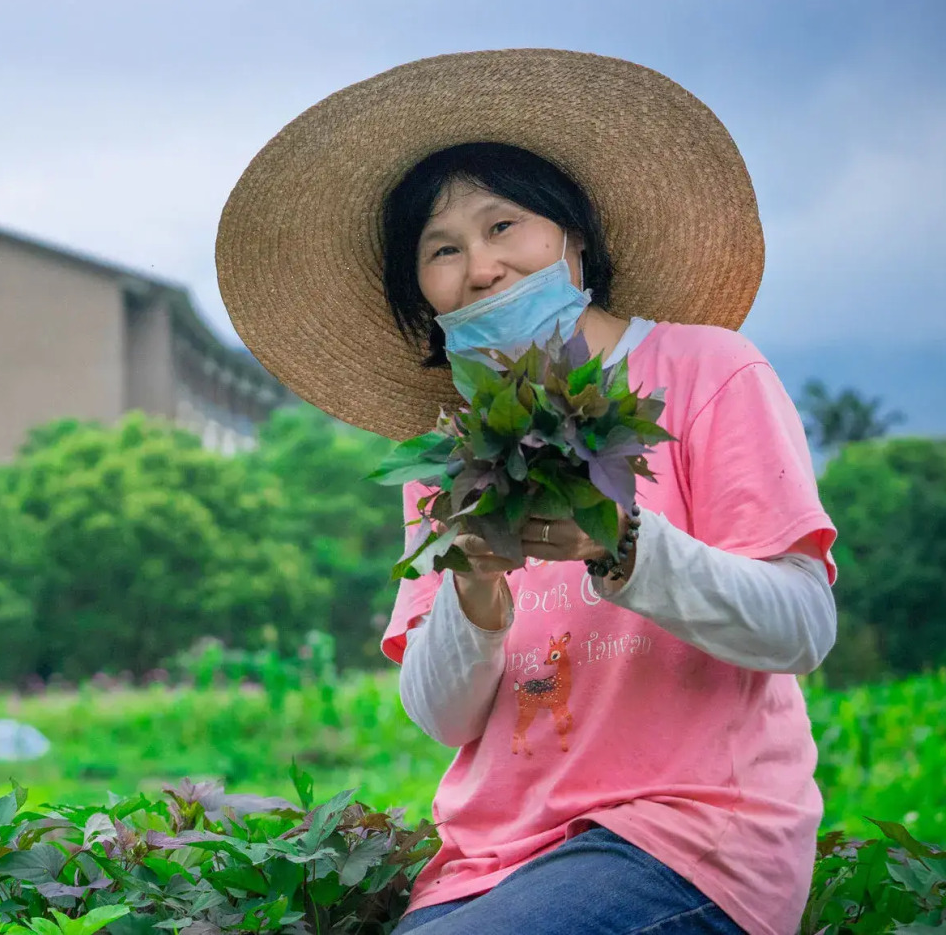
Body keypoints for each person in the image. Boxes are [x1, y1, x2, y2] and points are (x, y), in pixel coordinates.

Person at [215, 50, 838, 935]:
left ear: (574, 238)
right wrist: (471, 589)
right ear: (422, 296)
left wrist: (623, 546)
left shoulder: (707, 372)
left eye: (504, 226)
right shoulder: (446, 452)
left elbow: (802, 630)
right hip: (486, 865)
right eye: (443, 249)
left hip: (689, 836)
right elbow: (441, 715)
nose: (481, 267)